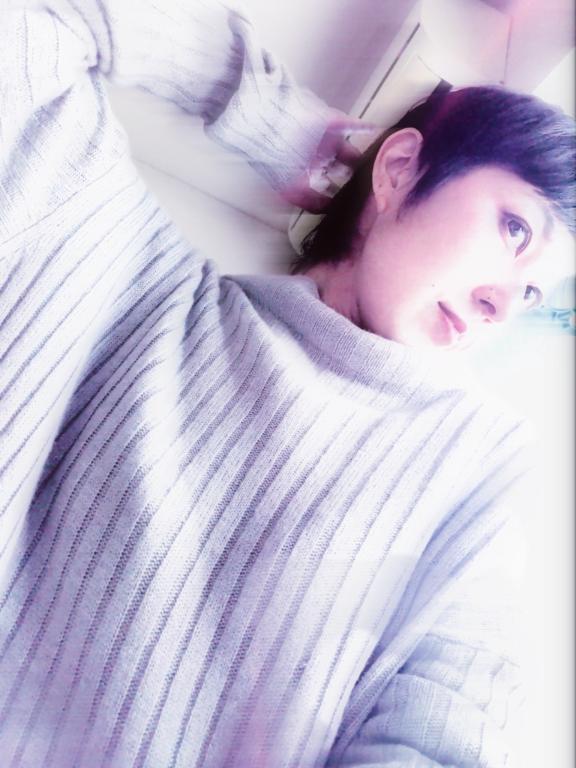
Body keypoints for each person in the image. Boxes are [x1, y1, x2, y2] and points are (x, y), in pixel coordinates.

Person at [0, 3, 573, 768]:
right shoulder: (141, 287)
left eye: (532, 294)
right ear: (400, 169)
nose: (503, 303)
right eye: (516, 230)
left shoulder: (477, 470)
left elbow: (443, 742)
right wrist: (274, 120)